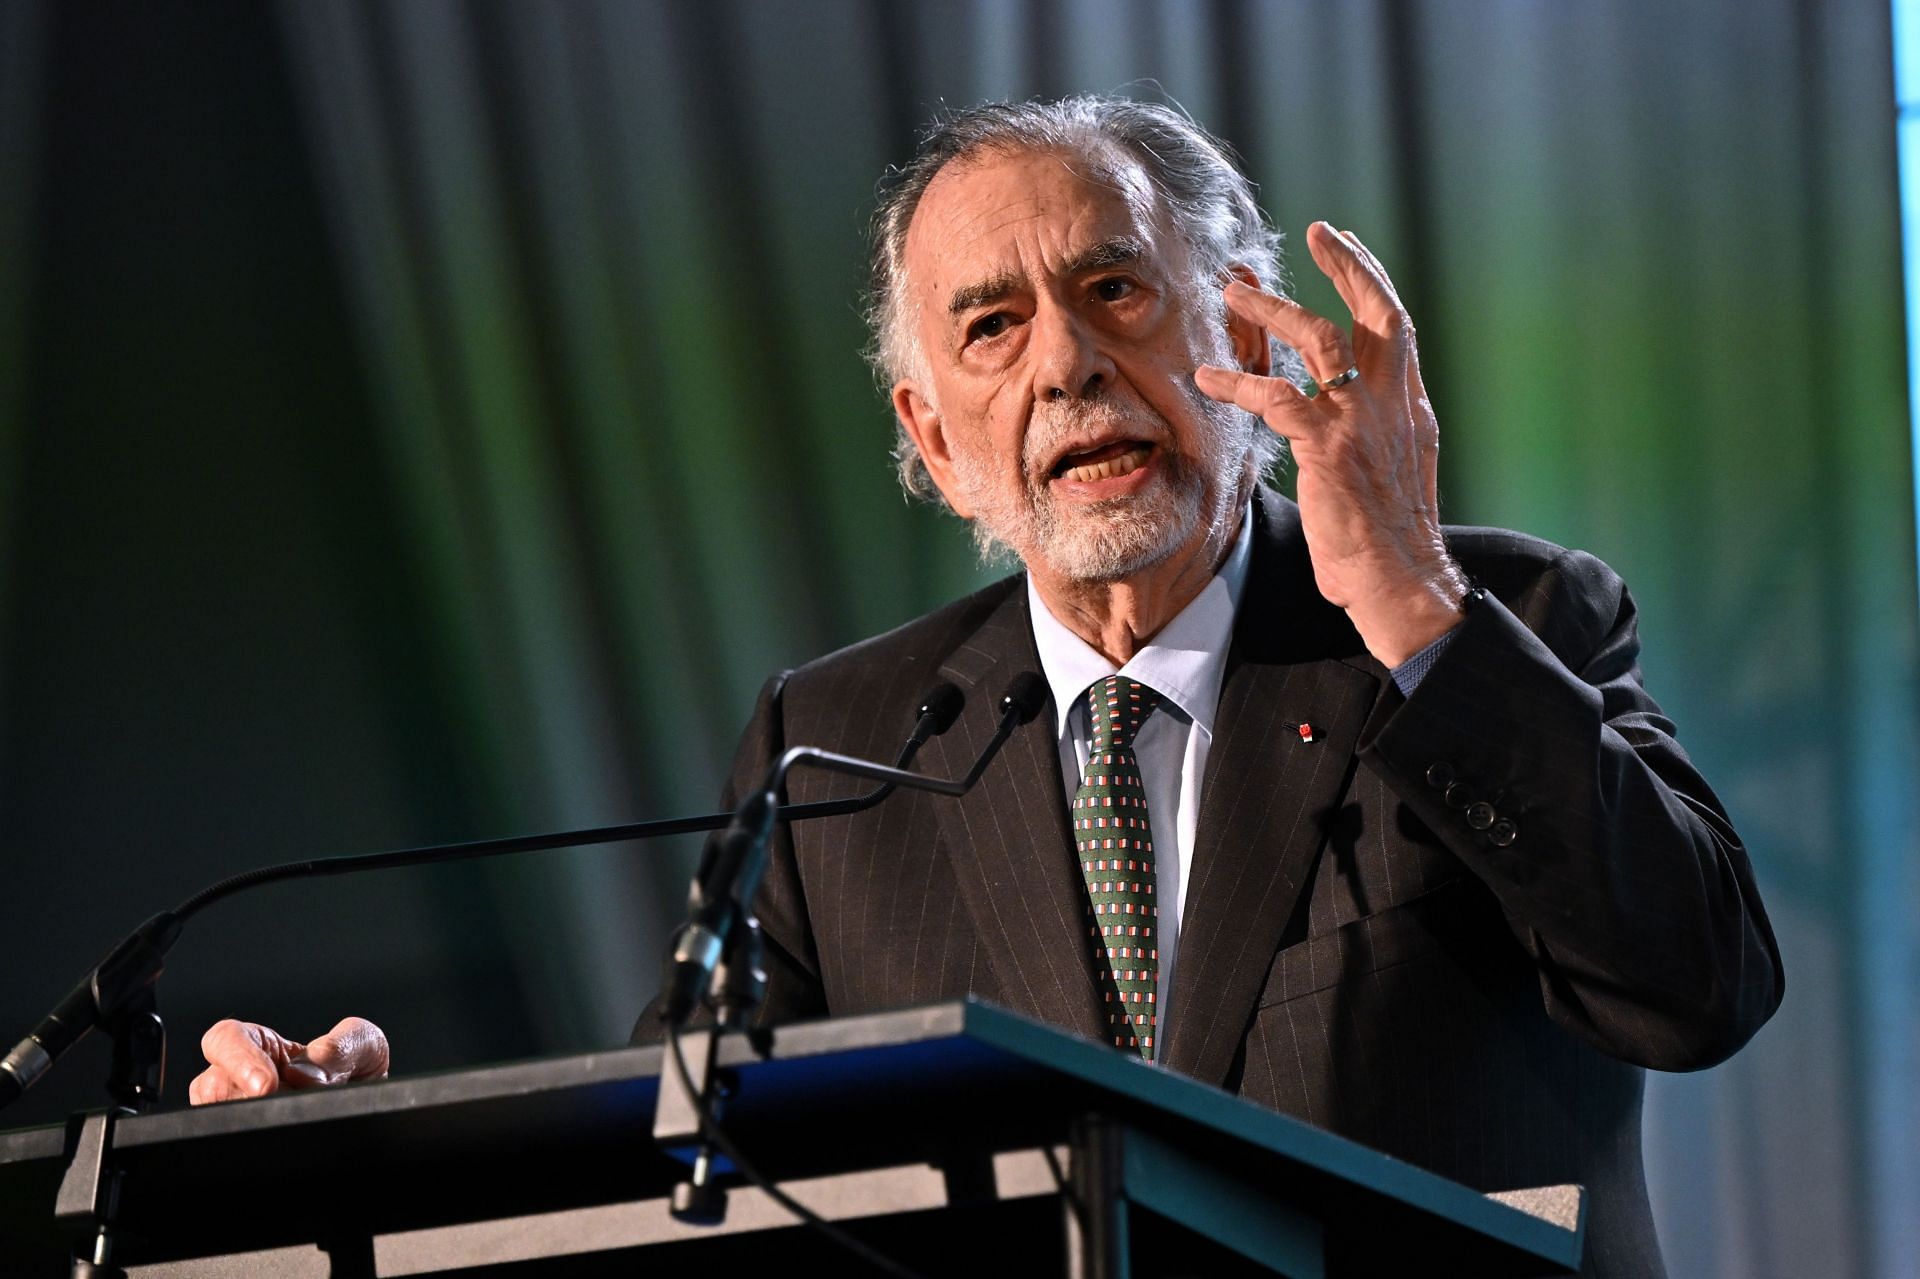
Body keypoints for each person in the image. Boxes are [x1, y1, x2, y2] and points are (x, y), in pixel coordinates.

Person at [192, 96, 1783, 1277]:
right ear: (937, 440)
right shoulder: (839, 747)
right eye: (993, 328)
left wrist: (1414, 608)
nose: (1067, 369)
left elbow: (1699, 985)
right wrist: (362, 1152)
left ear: (1247, 330)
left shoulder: (1496, 619)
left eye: (1115, 292)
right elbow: (692, 1181)